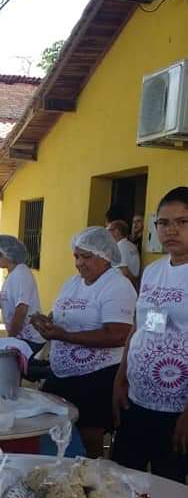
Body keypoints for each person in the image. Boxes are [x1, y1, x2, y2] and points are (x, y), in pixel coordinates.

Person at [31, 227, 136, 458]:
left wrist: (64, 336)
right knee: (52, 429)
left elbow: (118, 334)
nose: (79, 263)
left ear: (106, 256)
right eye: (76, 256)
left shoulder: (117, 286)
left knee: (89, 440)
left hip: (97, 377)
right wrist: (46, 322)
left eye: (86, 257)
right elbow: (61, 315)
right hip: (63, 374)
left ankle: (93, 485)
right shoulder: (72, 283)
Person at [112, 187, 188, 482]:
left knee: (170, 492)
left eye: (182, 222)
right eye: (164, 222)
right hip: (137, 399)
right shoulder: (154, 271)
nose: (171, 230)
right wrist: (121, 378)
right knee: (122, 482)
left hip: (177, 410)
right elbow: (140, 326)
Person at [0, 234, 44, 353]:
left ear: (3, 254)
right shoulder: (12, 274)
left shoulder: (21, 273)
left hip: (30, 339)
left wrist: (10, 338)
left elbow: (21, 309)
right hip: (21, 337)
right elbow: (12, 303)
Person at [107, 219, 141, 285]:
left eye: (109, 230)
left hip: (122, 285)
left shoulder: (120, 247)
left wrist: (134, 283)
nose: (107, 233)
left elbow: (124, 271)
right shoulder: (131, 245)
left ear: (117, 231)